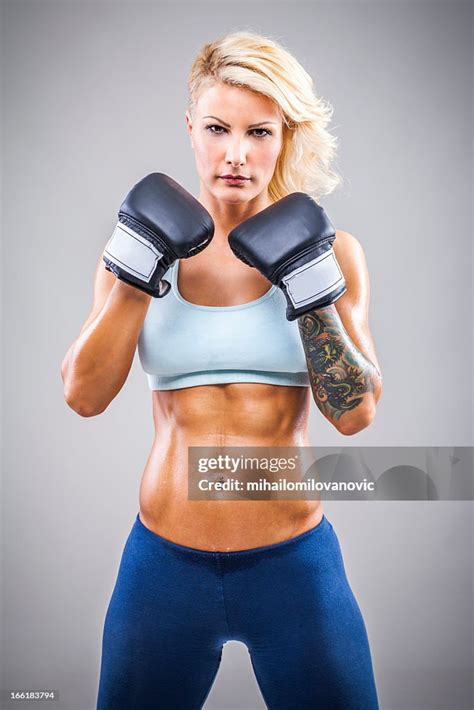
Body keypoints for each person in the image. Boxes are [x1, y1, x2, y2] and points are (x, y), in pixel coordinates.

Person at [61, 30, 382, 710]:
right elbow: (84, 397)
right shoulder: (136, 247)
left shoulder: (334, 253)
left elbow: (355, 415)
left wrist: (309, 291)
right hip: (164, 566)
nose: (235, 154)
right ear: (190, 127)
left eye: (259, 132)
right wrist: (136, 275)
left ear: (284, 136)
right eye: (217, 128)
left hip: (293, 564)